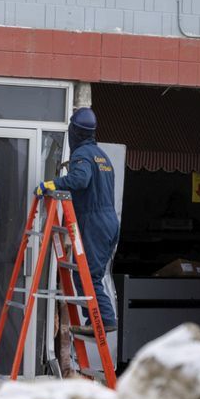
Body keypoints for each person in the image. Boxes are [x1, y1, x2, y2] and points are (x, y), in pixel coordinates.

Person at [36, 107, 120, 337]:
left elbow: (80, 179)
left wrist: (51, 184)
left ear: (75, 131)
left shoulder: (81, 154)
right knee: (86, 275)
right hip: (109, 221)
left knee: (87, 276)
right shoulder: (101, 156)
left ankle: (104, 321)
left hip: (95, 221)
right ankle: (96, 320)